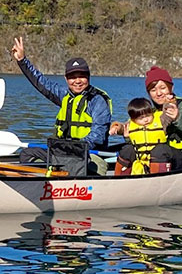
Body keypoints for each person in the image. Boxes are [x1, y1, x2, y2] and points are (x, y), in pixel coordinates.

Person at [10, 36, 112, 174]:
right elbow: (41, 83)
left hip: (89, 153)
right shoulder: (64, 95)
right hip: (64, 152)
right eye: (72, 77)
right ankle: (37, 188)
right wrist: (22, 61)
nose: (77, 81)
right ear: (66, 79)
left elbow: (98, 136)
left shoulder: (97, 101)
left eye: (81, 76)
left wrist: (72, 148)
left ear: (88, 77)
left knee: (88, 166)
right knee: (27, 154)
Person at [112, 66, 182, 173]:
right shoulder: (149, 112)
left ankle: (156, 184)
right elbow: (134, 132)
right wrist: (122, 132)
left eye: (163, 88)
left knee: (161, 150)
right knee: (127, 150)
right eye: (153, 90)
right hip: (155, 159)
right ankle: (120, 182)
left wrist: (178, 118)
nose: (158, 93)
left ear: (171, 88)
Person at [111, 98, 168, 175]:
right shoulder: (131, 124)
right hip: (140, 160)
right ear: (133, 119)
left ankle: (158, 178)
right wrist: (115, 127)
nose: (146, 120)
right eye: (141, 118)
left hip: (158, 158)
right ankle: (119, 178)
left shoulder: (160, 120)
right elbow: (121, 127)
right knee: (126, 150)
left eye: (148, 115)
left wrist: (170, 102)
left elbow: (170, 116)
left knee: (160, 150)